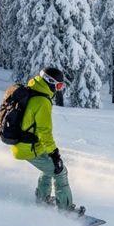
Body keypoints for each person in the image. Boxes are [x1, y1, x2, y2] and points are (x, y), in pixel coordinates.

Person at [11, 67, 81, 214]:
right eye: (59, 85)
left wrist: (51, 154)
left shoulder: (33, 91)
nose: (59, 89)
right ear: (50, 82)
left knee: (49, 167)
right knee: (60, 171)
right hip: (28, 147)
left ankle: (43, 199)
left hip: (27, 144)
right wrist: (55, 154)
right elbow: (45, 132)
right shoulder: (42, 101)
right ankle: (66, 209)